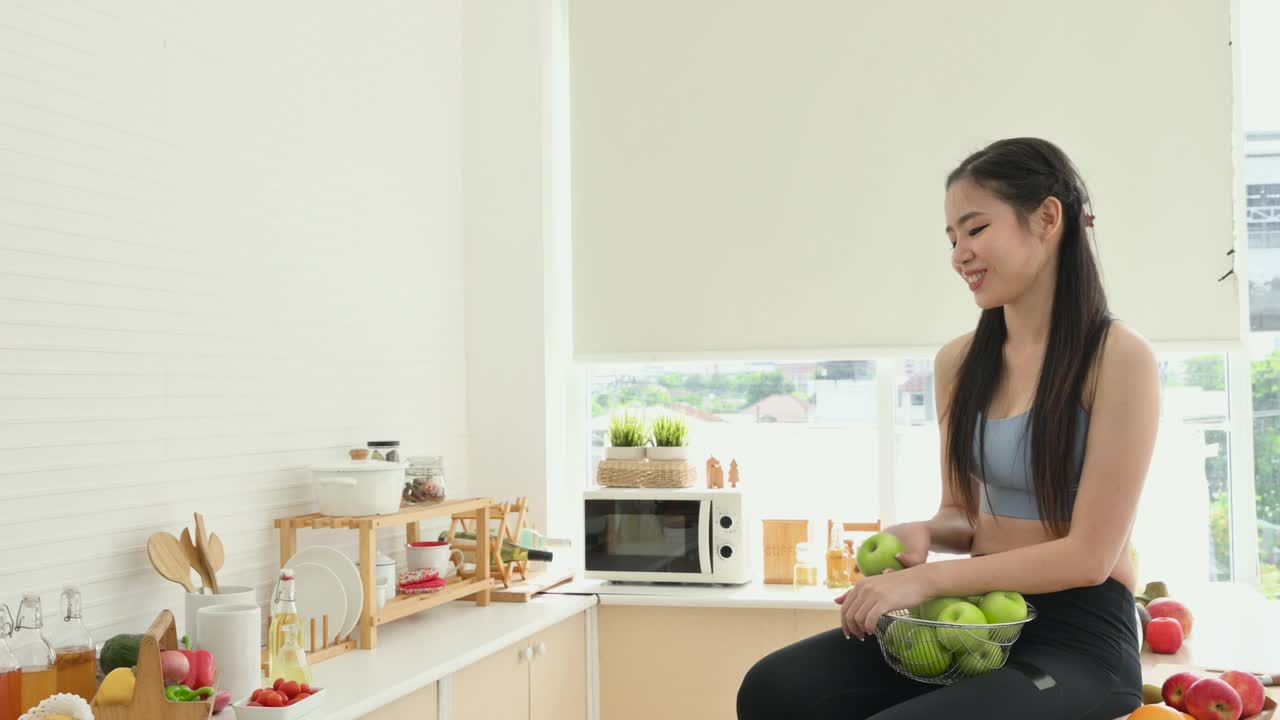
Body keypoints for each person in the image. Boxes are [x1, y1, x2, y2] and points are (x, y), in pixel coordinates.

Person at [737, 138, 1159, 719]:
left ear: (1047, 218)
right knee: (773, 689)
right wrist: (923, 533)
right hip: (978, 618)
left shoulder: (1117, 357)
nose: (960, 253)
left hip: (1080, 634)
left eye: (976, 228)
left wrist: (926, 583)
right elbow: (962, 513)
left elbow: (1089, 555)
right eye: (952, 238)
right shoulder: (959, 363)